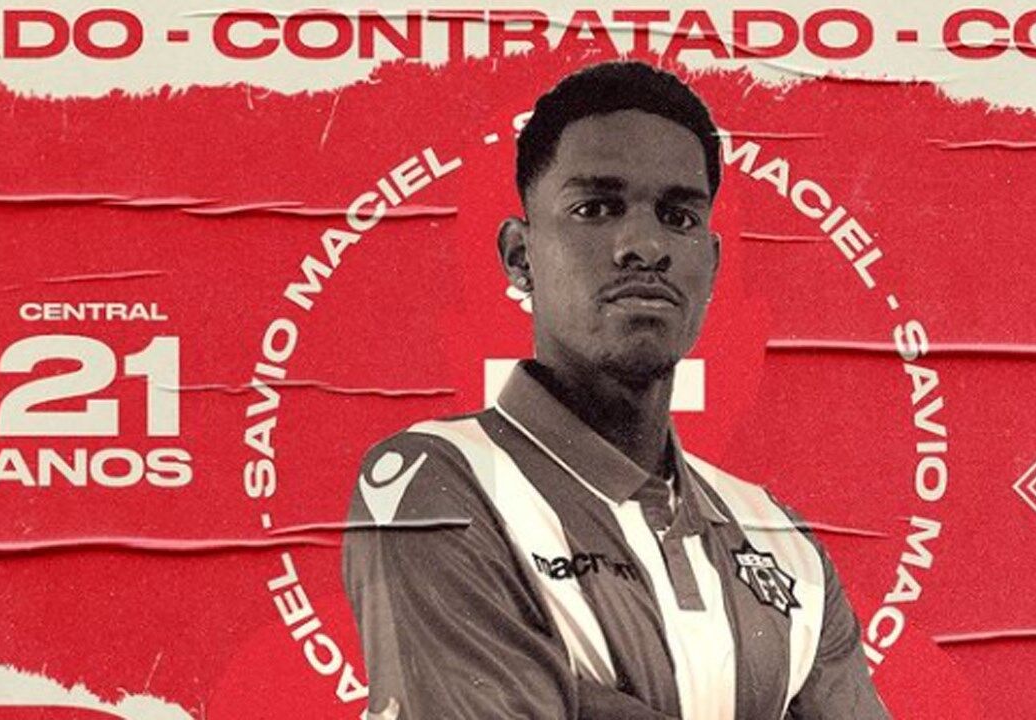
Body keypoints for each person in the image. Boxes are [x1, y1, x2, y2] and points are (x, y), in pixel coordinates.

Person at [343, 60, 888, 720]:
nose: (645, 245)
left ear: (711, 265)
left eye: (678, 216)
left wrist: (578, 702)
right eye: (596, 209)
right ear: (520, 256)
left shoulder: (778, 537)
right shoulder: (436, 481)